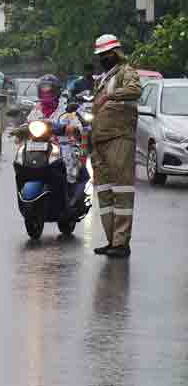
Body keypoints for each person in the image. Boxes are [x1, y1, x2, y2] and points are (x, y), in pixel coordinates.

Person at [90, 34, 141, 259]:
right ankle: (112, 240)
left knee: (121, 192)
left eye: (106, 54)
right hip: (100, 141)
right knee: (105, 193)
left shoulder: (125, 72)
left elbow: (135, 90)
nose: (103, 58)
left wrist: (110, 96)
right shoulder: (103, 78)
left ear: (115, 53)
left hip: (119, 138)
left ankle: (121, 243)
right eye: (100, 55)